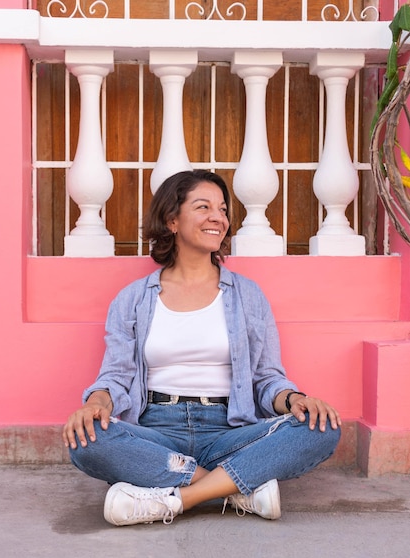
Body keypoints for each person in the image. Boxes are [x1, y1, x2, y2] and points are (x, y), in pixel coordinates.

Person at [63, 169, 341, 527]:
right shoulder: (132, 300)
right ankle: (233, 486)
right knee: (86, 440)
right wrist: (93, 405)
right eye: (203, 206)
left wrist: (295, 401)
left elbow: (266, 378)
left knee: (322, 427)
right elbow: (116, 377)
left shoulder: (247, 295)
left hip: (228, 430)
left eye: (223, 209)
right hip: (157, 433)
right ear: (172, 220)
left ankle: (177, 498)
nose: (218, 218)